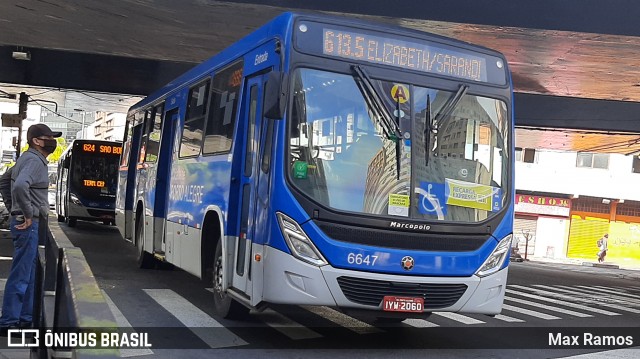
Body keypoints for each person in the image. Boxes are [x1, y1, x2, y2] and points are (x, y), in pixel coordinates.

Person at [0, 124, 61, 333]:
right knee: (23, 273)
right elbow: (18, 185)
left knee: (31, 272)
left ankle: (25, 318)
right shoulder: (34, 161)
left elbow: (3, 181)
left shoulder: (26, 159)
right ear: (36, 140)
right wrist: (24, 213)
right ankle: (9, 321)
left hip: (28, 223)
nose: (53, 141)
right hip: (29, 224)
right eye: (49, 137)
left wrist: (13, 209)